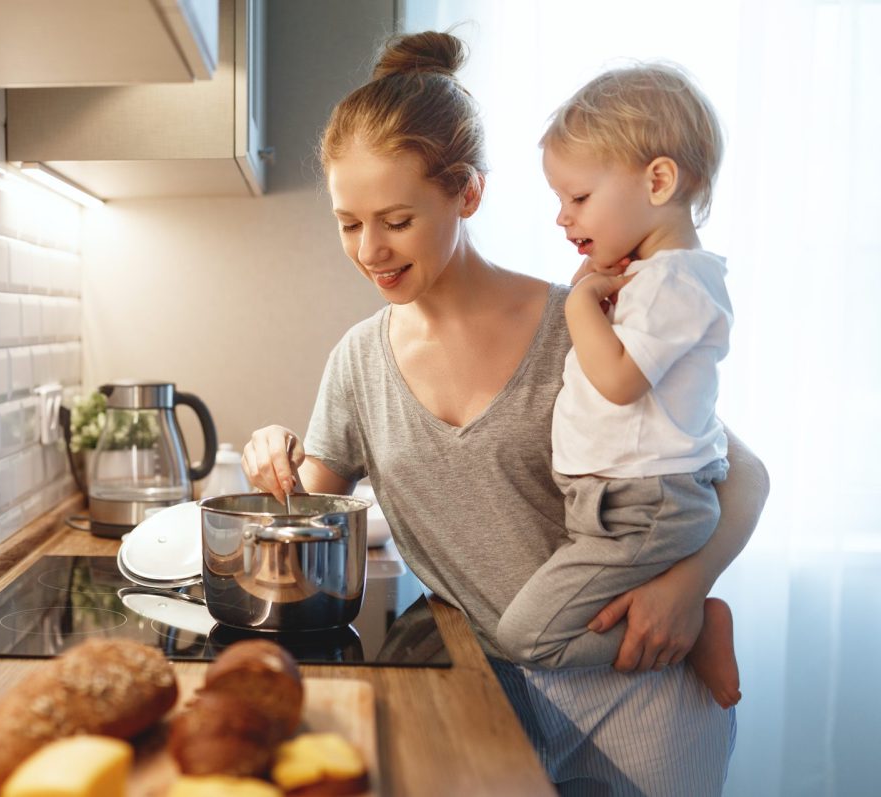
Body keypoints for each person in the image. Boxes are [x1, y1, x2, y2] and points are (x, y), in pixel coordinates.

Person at [241, 31, 768, 796]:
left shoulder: (583, 320)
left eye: (396, 219)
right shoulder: (359, 362)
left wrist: (690, 589)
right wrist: (272, 452)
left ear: (467, 195)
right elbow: (305, 512)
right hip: (495, 698)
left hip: (645, 682)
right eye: (348, 222)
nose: (371, 251)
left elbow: (741, 473)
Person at [493, 64, 742, 710]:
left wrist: (578, 306)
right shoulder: (654, 281)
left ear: (658, 180)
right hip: (617, 504)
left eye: (577, 198)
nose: (561, 217)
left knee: (527, 635)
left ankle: (692, 636)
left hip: (644, 505)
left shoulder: (676, 282)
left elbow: (620, 382)